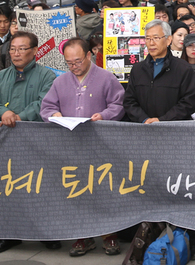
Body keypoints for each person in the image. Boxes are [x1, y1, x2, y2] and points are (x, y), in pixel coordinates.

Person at [122, 19, 195, 259]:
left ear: (168, 40)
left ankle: (192, 241)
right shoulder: (138, 69)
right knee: (153, 190)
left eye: (156, 38)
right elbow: (129, 102)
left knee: (185, 191)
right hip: (148, 140)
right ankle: (153, 240)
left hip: (177, 140)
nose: (151, 43)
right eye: (147, 39)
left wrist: (163, 121)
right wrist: (145, 119)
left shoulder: (182, 70)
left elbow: (188, 103)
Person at [40, 37, 125, 257]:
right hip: (71, 145)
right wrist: (53, 115)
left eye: (78, 61)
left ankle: (109, 234)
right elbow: (47, 106)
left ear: (89, 55)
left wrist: (104, 115)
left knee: (104, 188)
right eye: (69, 63)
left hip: (100, 145)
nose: (74, 66)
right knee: (76, 190)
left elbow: (119, 104)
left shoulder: (106, 78)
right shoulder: (60, 82)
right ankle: (82, 236)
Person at [0, 30, 59, 255]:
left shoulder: (47, 76)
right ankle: (10, 235)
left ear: (34, 51)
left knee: (40, 186)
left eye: (22, 49)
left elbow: (45, 103)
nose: (16, 54)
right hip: (6, 144)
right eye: (13, 49)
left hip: (36, 142)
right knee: (7, 187)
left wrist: (20, 117)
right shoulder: (1, 76)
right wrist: (3, 112)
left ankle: (46, 233)